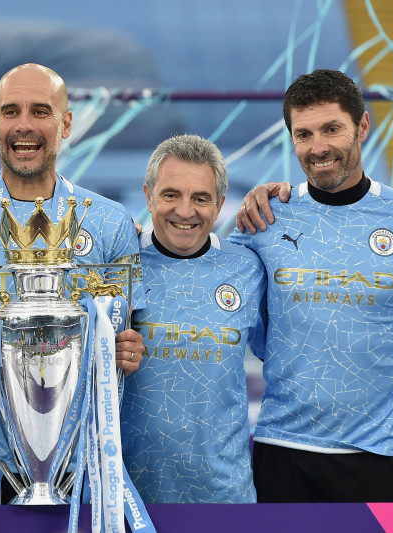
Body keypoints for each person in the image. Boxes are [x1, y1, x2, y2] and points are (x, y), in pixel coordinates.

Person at [0, 63, 145, 504]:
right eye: (11, 111)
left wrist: (130, 350)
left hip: (85, 460)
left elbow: (132, 331)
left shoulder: (111, 223)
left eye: (41, 111)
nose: (24, 126)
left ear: (66, 123)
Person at [230, 69, 393, 502]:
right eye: (303, 134)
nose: (318, 148)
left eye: (331, 129)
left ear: (362, 126)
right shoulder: (265, 219)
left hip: (382, 454)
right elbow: (202, 279)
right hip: (284, 449)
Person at [119, 134, 266, 503]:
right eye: (171, 195)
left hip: (224, 497)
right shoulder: (116, 265)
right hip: (126, 497)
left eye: (201, 198)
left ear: (218, 207)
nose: (185, 211)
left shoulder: (249, 269)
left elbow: (284, 357)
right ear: (148, 195)